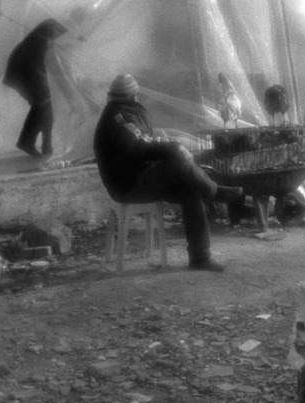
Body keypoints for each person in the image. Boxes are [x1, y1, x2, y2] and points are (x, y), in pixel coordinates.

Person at [94, 74, 244, 272]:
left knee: (190, 191)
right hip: (127, 185)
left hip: (138, 176)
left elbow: (138, 143)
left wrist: (162, 142)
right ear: (132, 94)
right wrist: (171, 147)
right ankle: (215, 192)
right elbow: (139, 144)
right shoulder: (118, 117)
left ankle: (200, 258)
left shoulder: (121, 112)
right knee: (176, 154)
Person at [3, 18, 67, 158]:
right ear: (50, 29)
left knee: (46, 106)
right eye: (58, 31)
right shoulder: (39, 42)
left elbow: (44, 67)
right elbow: (34, 67)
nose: (58, 35)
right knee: (41, 104)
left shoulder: (40, 40)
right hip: (22, 76)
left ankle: (46, 145)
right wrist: (44, 85)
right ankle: (26, 141)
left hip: (23, 75)